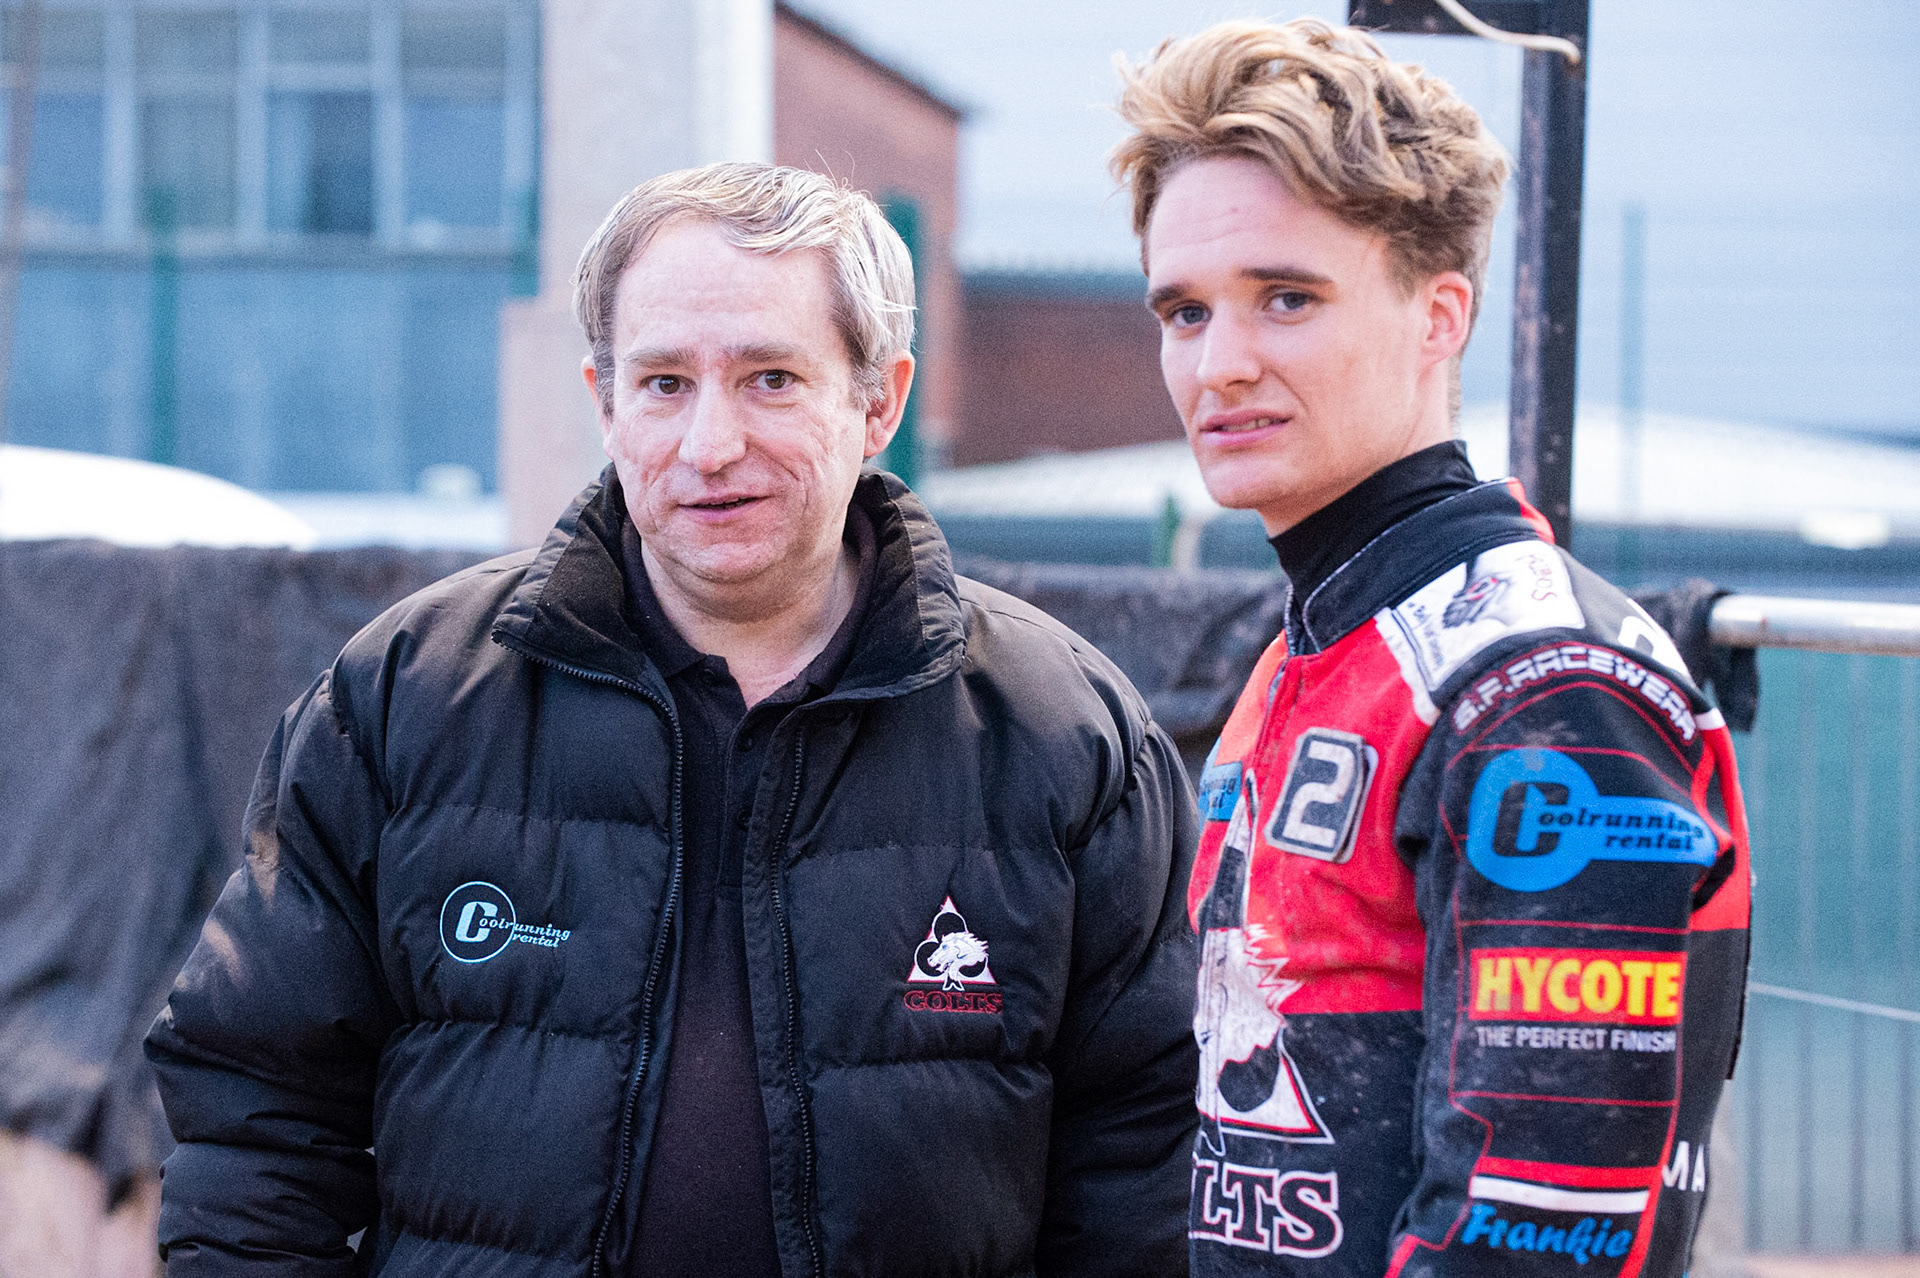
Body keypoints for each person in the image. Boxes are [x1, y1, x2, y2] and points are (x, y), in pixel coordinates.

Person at [145, 162, 1198, 1276]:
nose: (709, 445)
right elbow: (255, 1117)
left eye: (771, 380)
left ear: (878, 401)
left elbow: (1148, 1161)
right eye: (662, 384)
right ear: (604, 400)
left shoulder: (1062, 734)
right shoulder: (406, 700)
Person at [1111, 20, 1751, 1277]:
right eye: (1184, 311)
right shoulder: (1321, 643)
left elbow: (1538, 1231)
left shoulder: (1538, 683)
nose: (1218, 363)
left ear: (1439, 314)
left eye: (1285, 298)